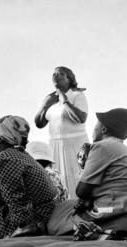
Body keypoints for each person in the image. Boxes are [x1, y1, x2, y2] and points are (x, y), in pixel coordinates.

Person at [47, 108, 127, 237]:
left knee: (58, 218)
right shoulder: (126, 150)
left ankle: (102, 232)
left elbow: (81, 191)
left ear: (104, 129)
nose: (93, 131)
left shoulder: (101, 146)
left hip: (118, 213)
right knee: (70, 206)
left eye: (95, 126)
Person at [35, 66, 89, 200]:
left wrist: (64, 99)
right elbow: (39, 124)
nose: (56, 76)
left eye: (61, 74)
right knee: (59, 181)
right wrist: (44, 104)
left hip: (75, 145)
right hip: (54, 146)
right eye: (54, 74)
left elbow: (81, 118)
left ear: (69, 79)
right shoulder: (51, 99)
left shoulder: (77, 95)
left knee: (76, 179)